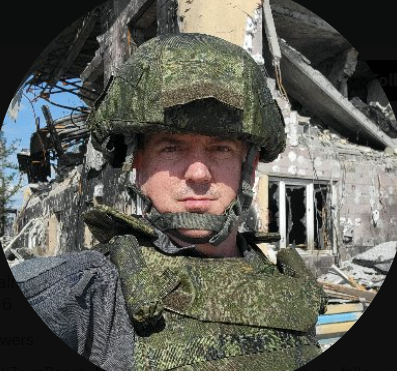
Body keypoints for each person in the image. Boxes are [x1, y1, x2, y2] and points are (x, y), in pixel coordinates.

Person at [12, 33, 327, 371]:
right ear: (137, 163)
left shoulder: (286, 283)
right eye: (171, 147)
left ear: (247, 166)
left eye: (220, 148)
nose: (198, 173)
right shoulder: (89, 290)